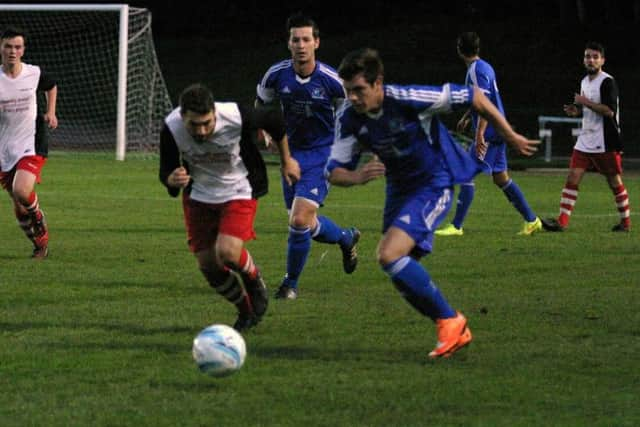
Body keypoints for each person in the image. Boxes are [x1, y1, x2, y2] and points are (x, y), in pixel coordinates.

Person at [327, 48, 539, 358]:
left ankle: (451, 321)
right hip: (399, 190)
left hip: (434, 182)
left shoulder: (408, 98)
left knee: (389, 254)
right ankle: (452, 326)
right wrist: (358, 177)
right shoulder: (348, 117)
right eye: (348, 91)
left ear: (378, 84)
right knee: (399, 268)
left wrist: (509, 135)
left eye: (359, 90)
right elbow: (333, 171)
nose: (354, 98)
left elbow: (475, 97)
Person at [159, 83, 300, 332]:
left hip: (239, 188)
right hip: (199, 195)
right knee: (208, 265)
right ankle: (245, 311)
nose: (202, 131)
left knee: (228, 252)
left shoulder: (235, 116)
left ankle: (254, 281)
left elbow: (275, 120)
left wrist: (286, 161)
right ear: (182, 118)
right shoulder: (171, 127)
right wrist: (172, 179)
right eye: (194, 125)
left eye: (207, 123)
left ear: (215, 113)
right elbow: (166, 169)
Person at [256, 13, 361, 300]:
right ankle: (345, 237)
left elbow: (350, 113)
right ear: (288, 43)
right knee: (304, 223)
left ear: (316, 43)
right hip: (290, 154)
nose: (301, 45)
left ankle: (290, 285)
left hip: (322, 155)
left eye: (306, 39)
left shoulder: (332, 81)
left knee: (300, 219)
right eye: (295, 40)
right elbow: (262, 104)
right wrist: (265, 131)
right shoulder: (276, 75)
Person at [436, 32, 542, 237]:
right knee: (501, 178)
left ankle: (456, 226)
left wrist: (480, 134)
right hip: (497, 129)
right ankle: (532, 220)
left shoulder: (476, 70)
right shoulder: (484, 67)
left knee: (465, 173)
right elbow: (480, 99)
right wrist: (468, 116)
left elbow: (485, 103)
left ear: (459, 49)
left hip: (491, 132)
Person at [542, 42, 630, 232]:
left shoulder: (608, 82)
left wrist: (585, 102)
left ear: (602, 60)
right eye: (587, 56)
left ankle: (626, 223)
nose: (590, 60)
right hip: (585, 139)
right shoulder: (584, 81)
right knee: (573, 176)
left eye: (595, 56)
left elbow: (609, 112)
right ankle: (562, 222)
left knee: (613, 181)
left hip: (605, 140)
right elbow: (588, 109)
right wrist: (576, 110)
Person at [0, 27, 58, 259]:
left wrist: (51, 112)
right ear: (0, 48)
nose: (13, 51)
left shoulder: (33, 73)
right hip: (5, 146)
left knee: (22, 190)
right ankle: (40, 243)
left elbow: (51, 85)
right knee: (19, 206)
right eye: (8, 46)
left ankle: (39, 219)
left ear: (23, 50)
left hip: (32, 140)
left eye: (17, 47)